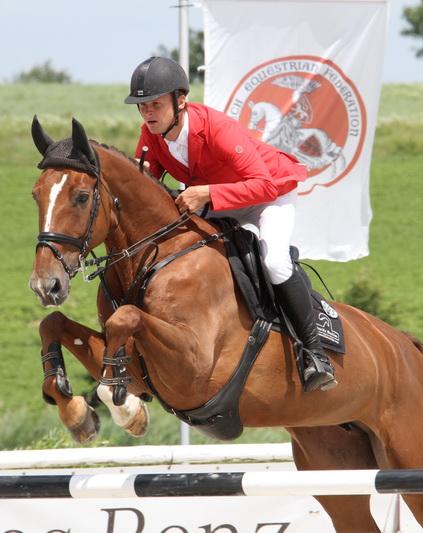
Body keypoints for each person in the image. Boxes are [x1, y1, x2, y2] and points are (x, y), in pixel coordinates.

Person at [124, 56, 336, 392]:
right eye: (143, 106)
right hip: (217, 201)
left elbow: (263, 185)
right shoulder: (151, 136)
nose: (148, 113)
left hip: (269, 196)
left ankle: (315, 353)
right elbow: (145, 186)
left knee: (275, 262)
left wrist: (206, 192)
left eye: (156, 105)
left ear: (181, 101)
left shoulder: (217, 129)